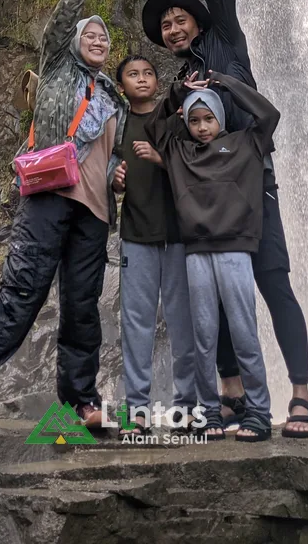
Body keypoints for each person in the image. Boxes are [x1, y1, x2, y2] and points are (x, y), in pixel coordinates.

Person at [128, 0, 308, 438]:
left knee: (274, 283)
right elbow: (163, 137)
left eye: (179, 19)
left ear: (198, 22)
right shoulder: (180, 84)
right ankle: (232, 393)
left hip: (254, 185)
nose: (173, 29)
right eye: (165, 26)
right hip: (209, 199)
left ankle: (301, 394)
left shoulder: (225, 43)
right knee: (215, 294)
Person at [0, 0, 130, 426]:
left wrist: (116, 171)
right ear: (73, 42)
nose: (98, 41)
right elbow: (62, 19)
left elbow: (113, 152)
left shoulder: (114, 97)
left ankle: (81, 401)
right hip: (49, 197)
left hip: (95, 211)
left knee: (82, 307)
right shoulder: (56, 68)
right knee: (22, 293)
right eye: (89, 35)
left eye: (104, 37)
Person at [148, 70, 280, 442]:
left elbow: (269, 115)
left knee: (244, 333)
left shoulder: (246, 143)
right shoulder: (179, 152)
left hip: (236, 250)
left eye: (209, 118)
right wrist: (178, 92)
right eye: (194, 121)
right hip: (196, 252)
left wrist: (225, 84)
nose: (202, 127)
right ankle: (209, 414)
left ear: (220, 118)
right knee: (203, 337)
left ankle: (259, 412)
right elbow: (155, 126)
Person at [112, 55, 197, 436]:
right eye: (133, 74)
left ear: (157, 82)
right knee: (136, 325)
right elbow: (104, 168)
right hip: (136, 234)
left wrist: (161, 159)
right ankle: (137, 410)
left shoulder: (174, 120)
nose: (142, 79)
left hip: (178, 235)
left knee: (183, 323)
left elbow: (196, 164)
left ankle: (187, 407)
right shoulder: (117, 125)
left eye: (148, 73)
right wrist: (113, 179)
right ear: (121, 86)